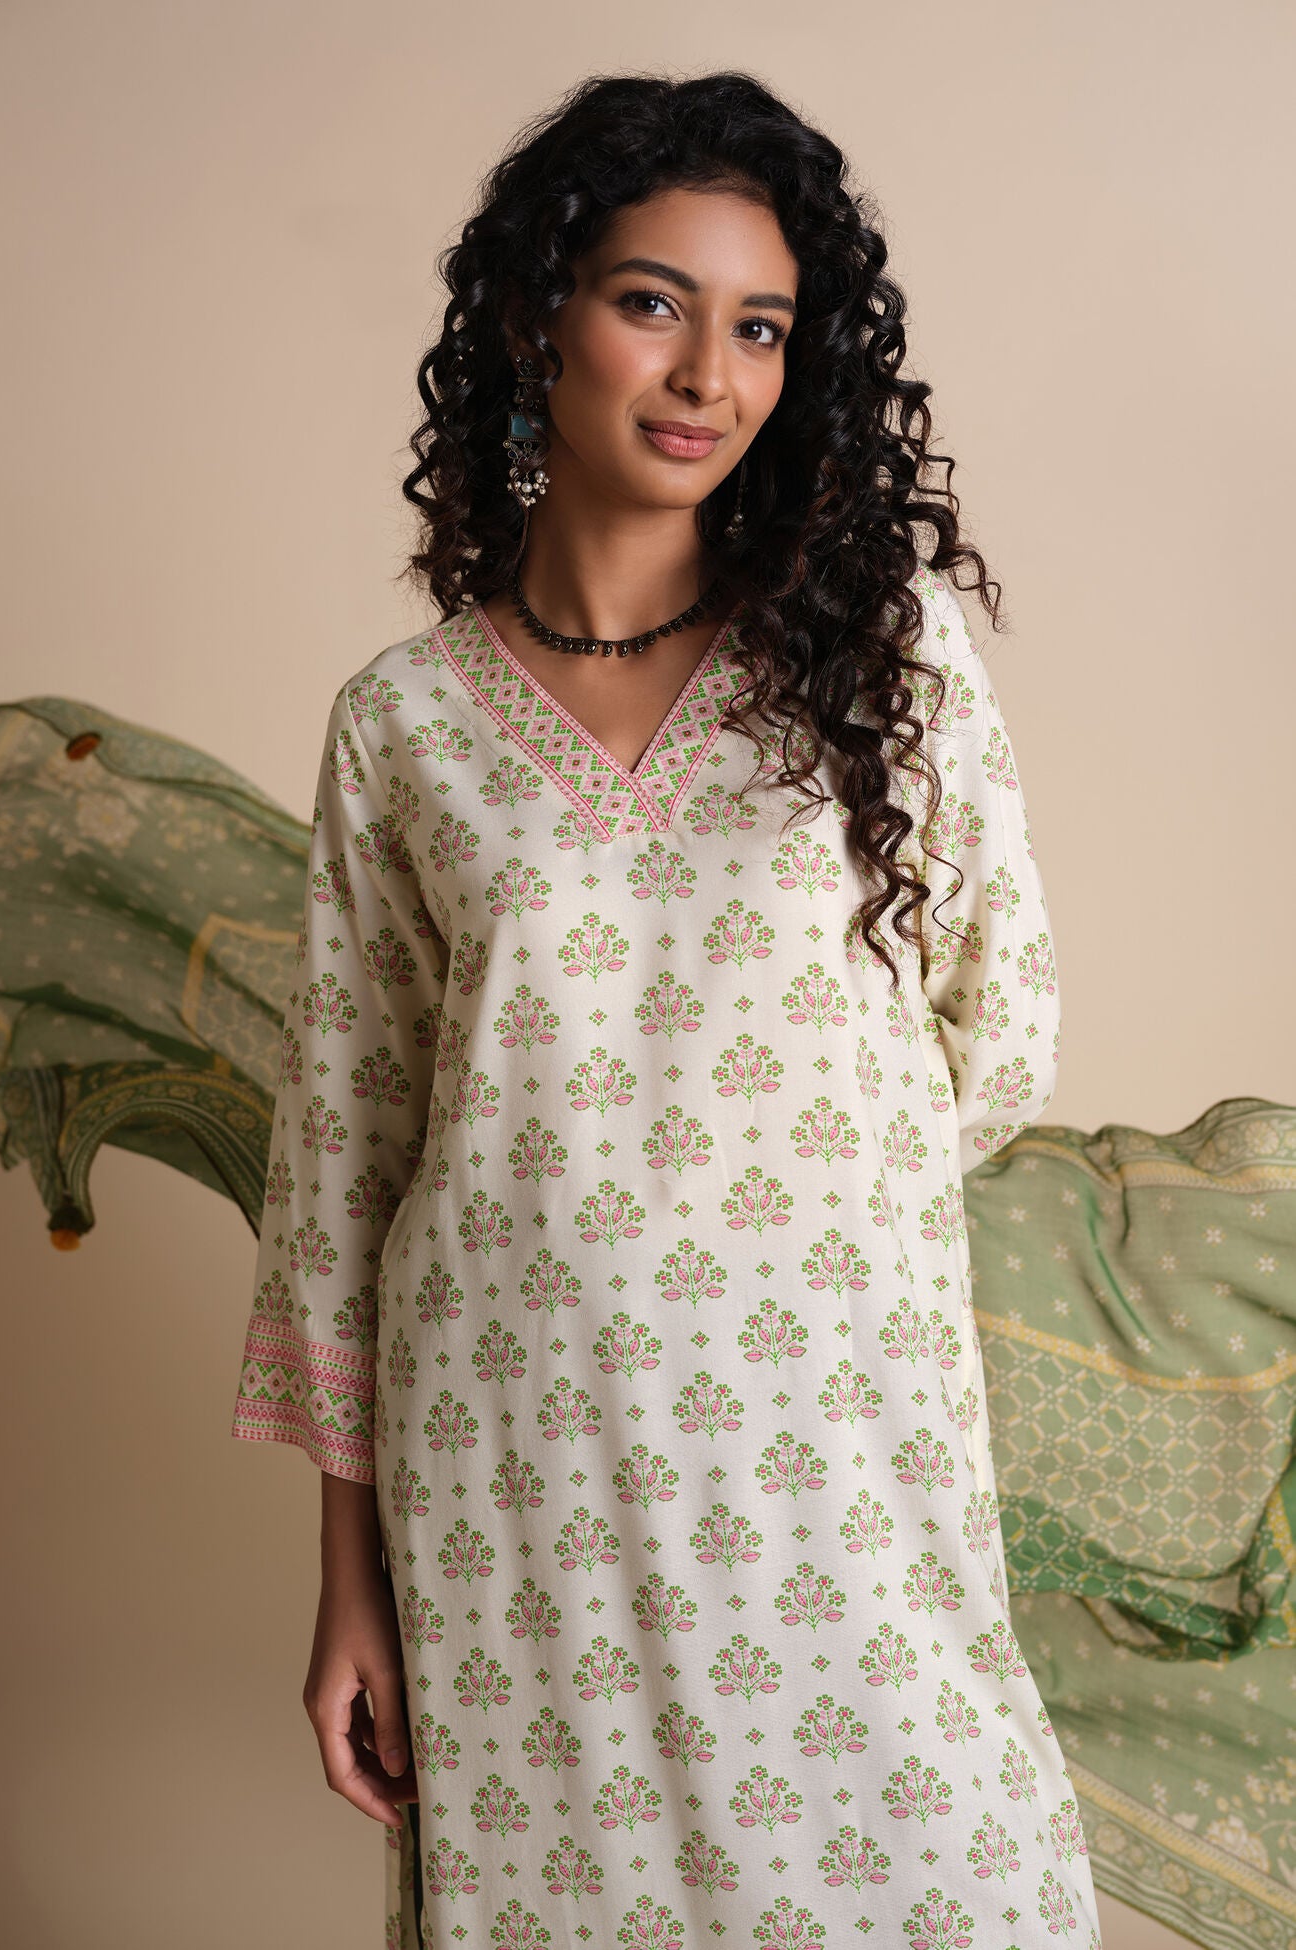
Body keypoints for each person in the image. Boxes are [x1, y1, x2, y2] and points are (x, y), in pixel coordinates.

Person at [230, 69, 1104, 1948]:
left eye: (762, 325)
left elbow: (997, 1021)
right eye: (653, 301)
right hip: (511, 1462)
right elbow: (351, 1154)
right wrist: (349, 1581)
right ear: (537, 313)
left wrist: (761, 1215)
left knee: (952, 1878)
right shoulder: (404, 725)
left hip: (831, 1431)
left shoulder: (878, 664)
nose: (710, 370)